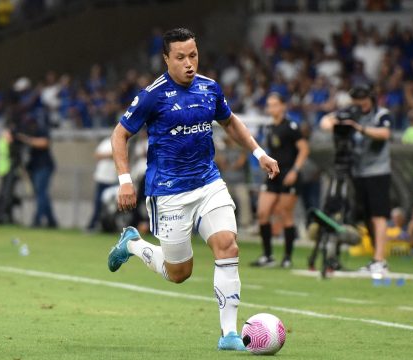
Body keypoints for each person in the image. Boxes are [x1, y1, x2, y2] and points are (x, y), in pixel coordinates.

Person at [107, 28, 279, 351]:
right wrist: (125, 180)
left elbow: (230, 123)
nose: (189, 63)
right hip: (169, 193)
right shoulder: (152, 95)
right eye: (181, 57)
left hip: (209, 183)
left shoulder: (209, 89)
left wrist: (259, 153)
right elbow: (119, 135)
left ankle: (229, 334)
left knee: (228, 246)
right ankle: (132, 244)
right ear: (166, 59)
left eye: (194, 55)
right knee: (179, 273)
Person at [320, 84, 392, 277]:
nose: (360, 105)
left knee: (379, 216)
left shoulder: (381, 114)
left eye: (363, 100)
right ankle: (376, 259)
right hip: (357, 171)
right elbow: (325, 122)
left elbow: (384, 134)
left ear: (370, 98)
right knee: (367, 217)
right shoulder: (351, 112)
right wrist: (335, 123)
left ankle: (380, 260)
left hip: (377, 171)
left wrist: (358, 127)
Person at [251, 93, 309, 268]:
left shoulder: (291, 126)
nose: (272, 108)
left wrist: (295, 170)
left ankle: (287, 257)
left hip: (288, 174)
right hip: (273, 175)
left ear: (283, 106)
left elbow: (304, 149)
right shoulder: (269, 127)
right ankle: (267, 255)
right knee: (262, 213)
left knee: (285, 215)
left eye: (275, 104)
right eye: (269, 105)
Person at [86, 137, 118, 231]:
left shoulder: (120, 142)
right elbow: (97, 155)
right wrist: (109, 155)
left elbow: (116, 155)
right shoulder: (105, 142)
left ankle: (108, 226)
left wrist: (107, 155)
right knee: (97, 203)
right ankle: (93, 224)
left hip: (112, 179)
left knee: (110, 206)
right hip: (101, 178)